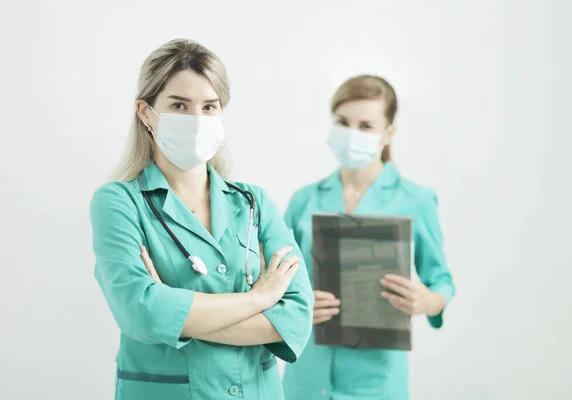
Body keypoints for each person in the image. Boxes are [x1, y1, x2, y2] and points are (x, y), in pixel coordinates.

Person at [89, 38, 314, 400]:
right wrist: (258, 300)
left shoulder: (254, 202)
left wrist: (175, 311)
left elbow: (298, 316)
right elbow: (141, 315)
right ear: (146, 113)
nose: (196, 120)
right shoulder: (118, 203)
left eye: (209, 107)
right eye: (179, 105)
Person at [281, 75, 456, 400]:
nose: (352, 134)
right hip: (305, 379)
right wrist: (295, 302)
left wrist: (429, 301)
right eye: (343, 122)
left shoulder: (415, 200)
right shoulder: (304, 199)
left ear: (388, 134)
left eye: (365, 126)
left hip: (375, 384)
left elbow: (441, 280)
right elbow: (273, 278)